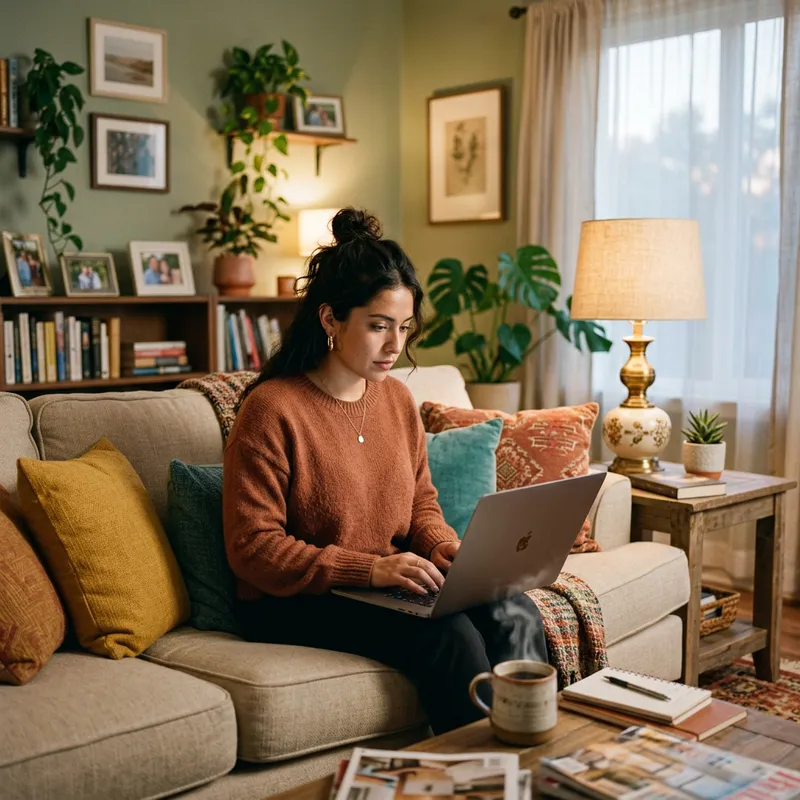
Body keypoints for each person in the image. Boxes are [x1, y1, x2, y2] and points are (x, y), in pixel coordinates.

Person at [223, 207, 549, 735]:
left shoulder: (397, 398)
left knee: (515, 611)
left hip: (381, 585)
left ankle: (531, 756)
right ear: (331, 319)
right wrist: (368, 570)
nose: (395, 345)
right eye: (378, 326)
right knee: (450, 637)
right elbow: (253, 549)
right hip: (296, 601)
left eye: (403, 327)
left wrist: (443, 545)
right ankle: (478, 782)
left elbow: (420, 500)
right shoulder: (272, 409)